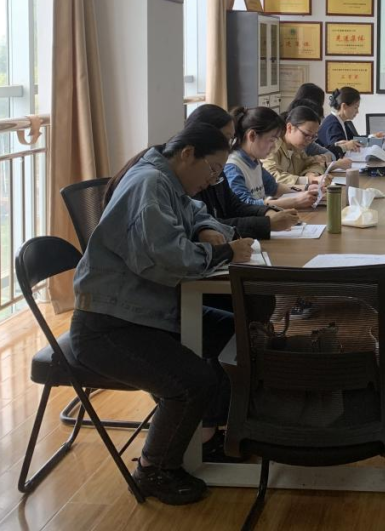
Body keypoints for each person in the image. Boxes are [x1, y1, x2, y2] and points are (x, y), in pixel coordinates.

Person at [69, 124, 256, 505]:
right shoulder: (149, 183)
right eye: (212, 170)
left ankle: (208, 434)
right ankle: (153, 469)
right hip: (110, 325)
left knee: (234, 332)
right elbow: (166, 259)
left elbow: (199, 212)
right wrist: (223, 251)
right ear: (187, 154)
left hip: (149, 312)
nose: (212, 180)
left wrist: (205, 230)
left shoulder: (169, 181)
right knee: (193, 381)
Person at [105, 106, 302, 240]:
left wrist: (266, 213)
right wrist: (265, 224)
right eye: (224, 139)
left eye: (230, 139)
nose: (228, 146)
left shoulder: (208, 166)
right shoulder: (178, 178)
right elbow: (193, 233)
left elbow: (229, 207)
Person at [225, 106, 314, 208]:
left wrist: (307, 189)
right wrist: (295, 201)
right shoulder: (233, 167)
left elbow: (274, 188)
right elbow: (244, 205)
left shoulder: (255, 162)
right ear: (252, 135)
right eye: (272, 140)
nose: (274, 146)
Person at [263, 105, 330, 189]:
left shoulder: (296, 148)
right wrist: (307, 180)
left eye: (313, 136)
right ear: (289, 128)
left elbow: (313, 163)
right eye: (306, 134)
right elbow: (271, 177)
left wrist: (311, 174)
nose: (309, 140)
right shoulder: (271, 146)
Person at [317, 86, 383, 153]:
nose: (357, 112)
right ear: (344, 106)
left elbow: (354, 139)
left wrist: (372, 136)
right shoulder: (333, 125)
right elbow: (339, 151)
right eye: (355, 107)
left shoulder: (340, 121)